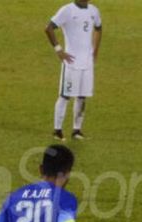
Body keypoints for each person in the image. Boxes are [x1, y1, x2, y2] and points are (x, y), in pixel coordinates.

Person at [45, 0, 102, 141]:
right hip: (71, 62)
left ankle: (77, 130)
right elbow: (48, 28)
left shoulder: (94, 10)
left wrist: (95, 51)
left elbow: (99, 28)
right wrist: (59, 50)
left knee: (82, 96)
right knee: (65, 95)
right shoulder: (67, 10)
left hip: (87, 62)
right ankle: (57, 131)